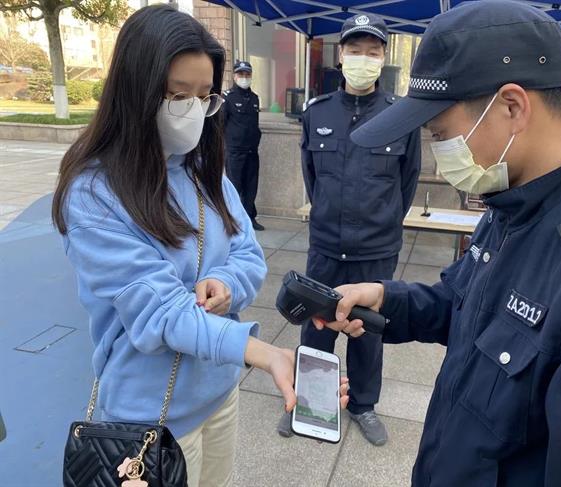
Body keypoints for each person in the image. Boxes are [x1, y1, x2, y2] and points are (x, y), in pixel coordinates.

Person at [316, 1, 561, 486]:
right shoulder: (513, 192)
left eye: (441, 134)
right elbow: (466, 303)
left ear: (512, 107)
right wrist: (388, 298)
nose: (439, 153)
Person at [52, 6, 349, 487]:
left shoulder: (201, 170)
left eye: (204, 96)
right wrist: (264, 353)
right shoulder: (95, 193)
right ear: (136, 91)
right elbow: (162, 312)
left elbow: (248, 254)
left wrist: (226, 283)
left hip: (219, 390)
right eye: (177, 95)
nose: (192, 110)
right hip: (150, 416)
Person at [277, 13, 422, 446]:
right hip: (326, 245)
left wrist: (380, 224)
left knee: (368, 330)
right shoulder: (317, 112)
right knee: (317, 325)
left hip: (376, 249)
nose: (363, 59)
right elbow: (312, 177)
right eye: (355, 50)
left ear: (383, 57)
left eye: (372, 52)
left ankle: (362, 404)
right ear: (340, 56)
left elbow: (407, 183)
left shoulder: (400, 116)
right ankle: (309, 402)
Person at [223, 60, 264, 231]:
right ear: (234, 76)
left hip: (251, 151)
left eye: (247, 74)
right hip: (234, 151)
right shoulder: (227, 98)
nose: (244, 77)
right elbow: (220, 125)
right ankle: (233, 221)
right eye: (241, 74)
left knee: (251, 187)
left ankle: (249, 219)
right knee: (235, 187)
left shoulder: (254, 98)